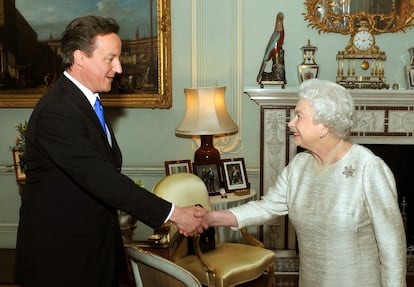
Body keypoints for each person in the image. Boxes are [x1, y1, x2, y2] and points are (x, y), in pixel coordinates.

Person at [14, 15, 207, 287]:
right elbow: (102, 179)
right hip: (61, 262)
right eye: (110, 58)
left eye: (119, 58)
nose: (118, 67)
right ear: (80, 58)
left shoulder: (88, 104)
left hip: (93, 252)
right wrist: (175, 213)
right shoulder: (57, 111)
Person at [203, 79, 407, 287]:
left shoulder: (368, 168)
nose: (291, 122)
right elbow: (266, 207)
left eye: (299, 116)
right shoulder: (299, 166)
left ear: (324, 126)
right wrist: (211, 218)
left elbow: (393, 246)